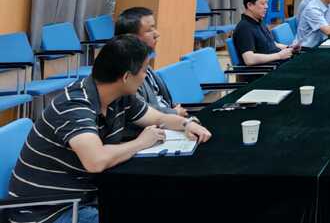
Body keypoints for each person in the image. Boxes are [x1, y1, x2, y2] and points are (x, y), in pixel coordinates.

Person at [7, 35, 212, 223]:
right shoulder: (74, 106)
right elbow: (96, 161)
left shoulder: (119, 96)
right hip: (48, 212)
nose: (146, 76)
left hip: (85, 197)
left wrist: (187, 124)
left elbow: (158, 117)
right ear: (126, 77)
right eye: (144, 70)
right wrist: (140, 143)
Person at [113, 7, 188, 139]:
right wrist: (173, 113)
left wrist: (174, 110)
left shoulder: (143, 60)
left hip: (167, 124)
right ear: (131, 38)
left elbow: (161, 98)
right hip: (145, 132)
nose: (157, 34)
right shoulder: (124, 69)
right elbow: (137, 106)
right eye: (149, 30)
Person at [233, 0, 294, 66]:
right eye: (262, 4)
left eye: (266, 3)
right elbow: (249, 59)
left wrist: (290, 48)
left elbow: (273, 44)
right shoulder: (244, 28)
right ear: (250, 5)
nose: (266, 7)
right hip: (269, 69)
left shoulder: (259, 21)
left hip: (279, 63)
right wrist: (278, 56)